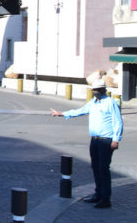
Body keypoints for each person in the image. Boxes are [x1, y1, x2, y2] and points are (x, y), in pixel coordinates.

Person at [51, 78, 123, 209]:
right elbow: (80, 111)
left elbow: (117, 122)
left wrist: (116, 139)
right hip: (94, 140)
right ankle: (98, 193)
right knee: (96, 168)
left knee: (103, 169)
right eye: (94, 90)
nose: (95, 92)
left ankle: (106, 198)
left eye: (97, 90)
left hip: (106, 140)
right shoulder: (93, 103)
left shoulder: (110, 103)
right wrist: (62, 114)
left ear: (103, 90)